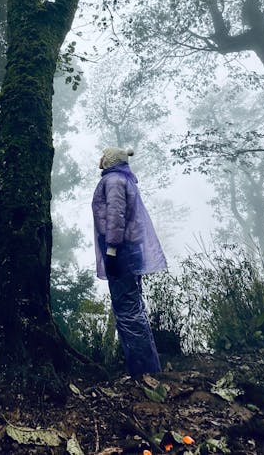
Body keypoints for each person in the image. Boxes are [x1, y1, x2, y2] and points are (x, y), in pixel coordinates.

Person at [92, 147, 167, 377]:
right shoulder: (122, 179)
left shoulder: (114, 181)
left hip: (121, 253)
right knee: (133, 307)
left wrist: (112, 250)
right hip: (129, 251)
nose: (101, 158)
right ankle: (147, 368)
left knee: (127, 309)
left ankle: (143, 372)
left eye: (104, 155)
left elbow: (116, 217)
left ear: (112, 160)